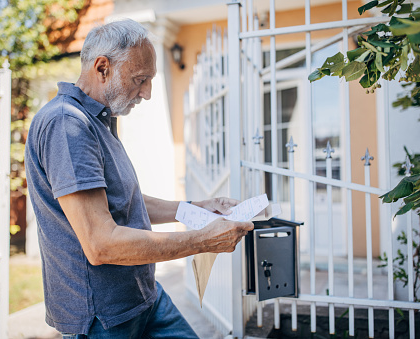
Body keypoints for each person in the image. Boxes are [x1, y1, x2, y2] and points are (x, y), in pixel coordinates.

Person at [25, 19, 253, 338]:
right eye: (140, 79)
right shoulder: (68, 126)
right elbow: (101, 243)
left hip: (143, 296)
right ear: (102, 67)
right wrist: (203, 241)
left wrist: (197, 211)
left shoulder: (98, 120)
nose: (146, 93)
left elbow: (123, 202)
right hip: (104, 318)